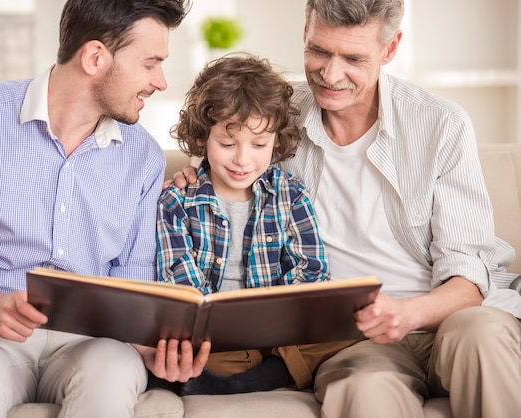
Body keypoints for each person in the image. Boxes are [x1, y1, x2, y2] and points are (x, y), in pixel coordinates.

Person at [173, 1, 521, 417]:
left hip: (444, 315)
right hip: (355, 339)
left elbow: (470, 276)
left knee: (483, 336)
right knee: (365, 385)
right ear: (305, 32)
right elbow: (225, 151)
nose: (331, 74)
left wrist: (406, 313)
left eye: (353, 58)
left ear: (390, 49)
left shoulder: (440, 124)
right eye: (319, 51)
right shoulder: (277, 116)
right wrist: (193, 175)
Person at [0, 1, 211, 417]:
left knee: (115, 371)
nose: (161, 81)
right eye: (150, 64)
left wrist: (153, 351)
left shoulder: (144, 159)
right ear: (96, 57)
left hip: (92, 343)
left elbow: (133, 289)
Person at [157, 54, 357, 395]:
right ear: (202, 138)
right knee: (178, 346)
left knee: (351, 328)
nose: (242, 159)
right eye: (227, 143)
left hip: (279, 336)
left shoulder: (290, 195)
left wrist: (282, 319)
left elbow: (310, 273)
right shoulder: (177, 201)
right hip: (214, 339)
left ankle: (254, 377)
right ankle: (261, 373)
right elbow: (181, 286)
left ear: (277, 141)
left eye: (259, 144)